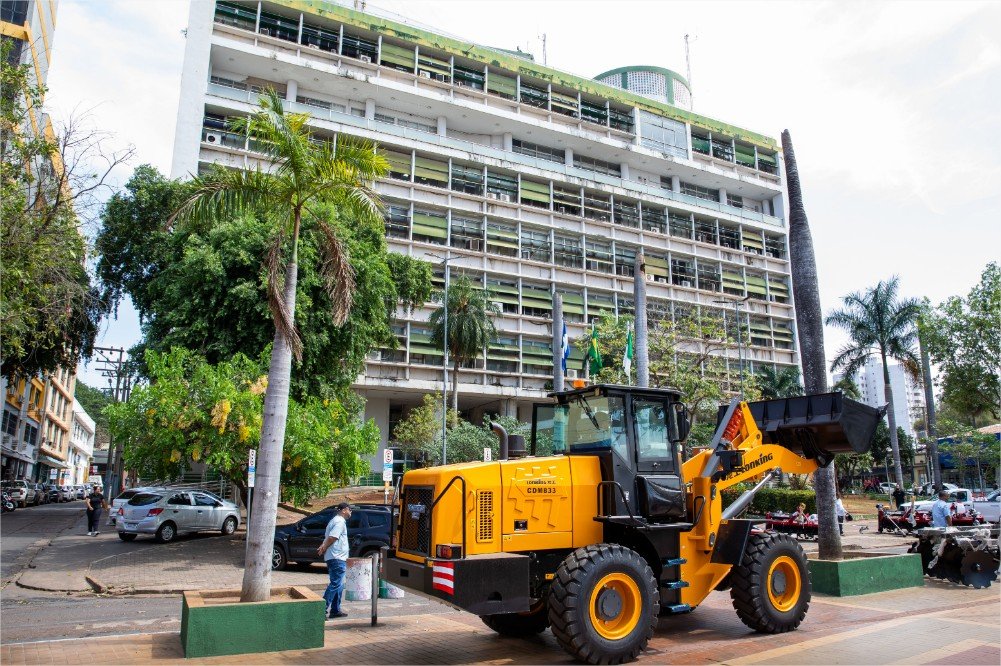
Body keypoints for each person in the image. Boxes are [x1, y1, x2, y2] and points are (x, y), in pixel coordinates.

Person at [317, 502, 352, 620]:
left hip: (335, 557)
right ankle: (322, 609)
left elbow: (329, 537)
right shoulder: (339, 521)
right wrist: (324, 547)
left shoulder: (334, 521)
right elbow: (333, 537)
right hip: (337, 557)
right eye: (350, 509)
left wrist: (323, 547)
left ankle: (335, 610)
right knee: (336, 583)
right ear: (344, 510)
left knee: (339, 584)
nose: (351, 512)